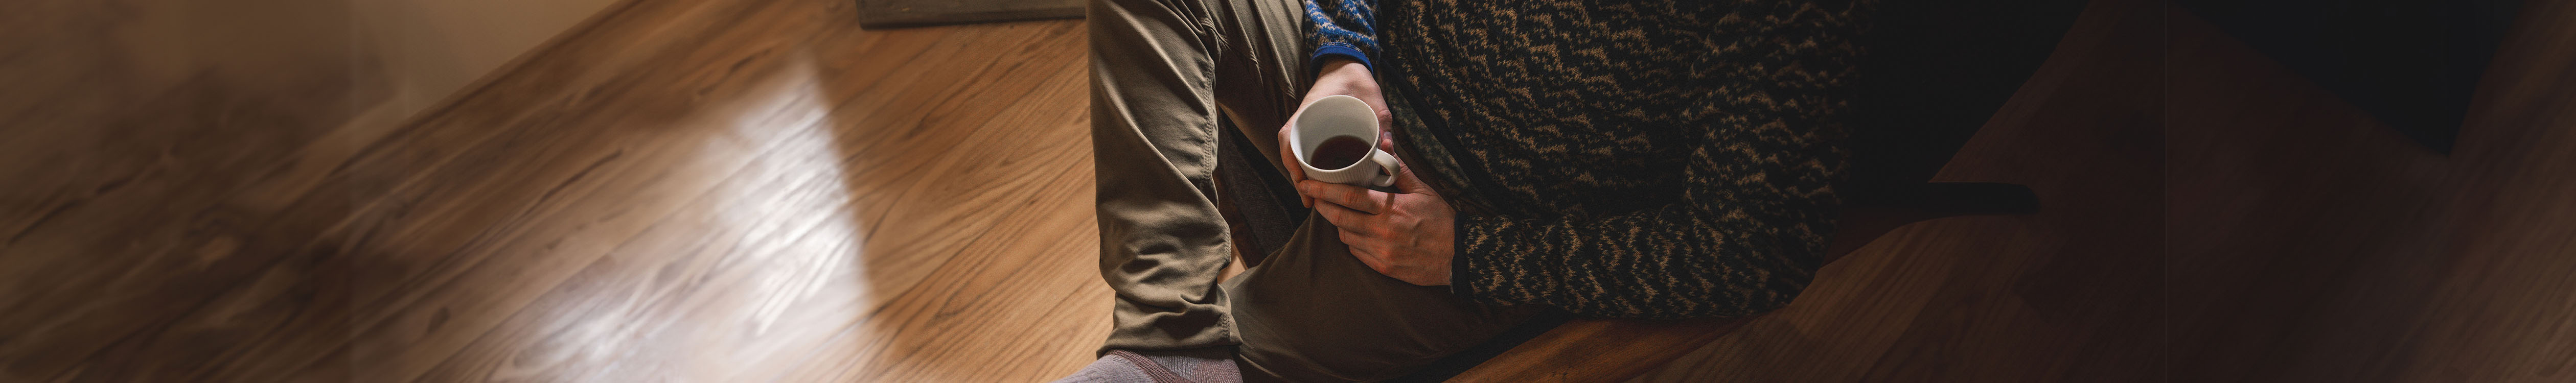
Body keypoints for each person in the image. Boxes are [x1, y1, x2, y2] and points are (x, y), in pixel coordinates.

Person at [1061, 0, 1869, 380]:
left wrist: (1469, 253)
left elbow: (1754, 248)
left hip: (1487, 230)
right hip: (1369, 87)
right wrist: (1344, 53)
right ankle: (1173, 329)